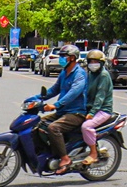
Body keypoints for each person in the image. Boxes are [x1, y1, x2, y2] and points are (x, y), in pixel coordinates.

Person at [34, 44, 88, 172]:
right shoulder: (64, 73)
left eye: (64, 56)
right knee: (38, 124)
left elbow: (73, 93)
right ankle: (50, 152)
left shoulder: (79, 74)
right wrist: (36, 98)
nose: (61, 58)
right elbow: (54, 90)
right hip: (63, 112)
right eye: (61, 56)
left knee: (54, 128)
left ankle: (65, 158)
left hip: (76, 113)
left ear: (73, 58)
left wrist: (55, 105)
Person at [78, 49, 116, 163]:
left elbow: (100, 96)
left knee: (86, 127)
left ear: (101, 63)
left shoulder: (103, 75)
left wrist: (92, 113)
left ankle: (94, 153)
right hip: (90, 108)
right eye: (91, 61)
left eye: (96, 61)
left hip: (103, 110)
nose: (93, 64)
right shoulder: (90, 74)